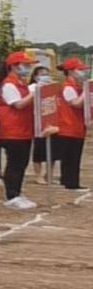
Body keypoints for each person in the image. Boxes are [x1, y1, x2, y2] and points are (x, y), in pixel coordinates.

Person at [0, 51, 39, 210]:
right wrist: (34, 92)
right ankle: (11, 195)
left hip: (24, 129)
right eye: (26, 65)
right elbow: (18, 104)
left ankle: (17, 192)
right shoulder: (9, 84)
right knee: (14, 164)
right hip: (12, 130)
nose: (28, 68)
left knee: (21, 163)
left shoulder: (21, 83)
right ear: (14, 66)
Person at [58, 58, 88, 191]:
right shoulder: (68, 87)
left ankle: (68, 180)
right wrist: (87, 91)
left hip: (77, 126)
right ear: (70, 71)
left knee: (74, 156)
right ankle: (70, 182)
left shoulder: (77, 86)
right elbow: (75, 103)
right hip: (68, 126)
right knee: (71, 157)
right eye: (80, 70)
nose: (83, 73)